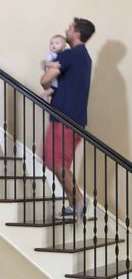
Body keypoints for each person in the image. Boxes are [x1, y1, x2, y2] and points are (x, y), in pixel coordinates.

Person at [41, 17, 95, 219]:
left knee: (57, 163)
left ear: (77, 33)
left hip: (64, 118)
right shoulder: (85, 57)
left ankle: (80, 199)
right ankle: (73, 205)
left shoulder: (71, 55)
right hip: (74, 120)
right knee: (56, 161)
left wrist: (46, 83)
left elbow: (45, 79)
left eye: (70, 28)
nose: (66, 30)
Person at [41, 34, 67, 102]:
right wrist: (53, 64)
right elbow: (46, 63)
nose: (53, 45)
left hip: (53, 77)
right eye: (51, 43)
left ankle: (46, 97)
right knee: (54, 88)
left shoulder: (59, 54)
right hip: (50, 76)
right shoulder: (51, 54)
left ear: (63, 47)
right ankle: (44, 95)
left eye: (57, 43)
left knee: (53, 88)